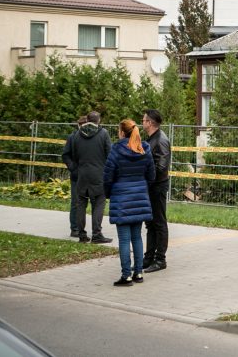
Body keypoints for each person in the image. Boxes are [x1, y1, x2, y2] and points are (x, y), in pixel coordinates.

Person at [103, 119, 155, 287]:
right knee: (137, 237)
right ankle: (138, 272)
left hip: (121, 199)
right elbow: (151, 176)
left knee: (124, 240)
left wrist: (108, 193)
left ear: (122, 132)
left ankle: (126, 276)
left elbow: (108, 177)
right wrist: (142, 187)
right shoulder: (144, 150)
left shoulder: (116, 151)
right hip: (139, 197)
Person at [68, 111, 113, 244]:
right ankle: (97, 234)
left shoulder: (77, 135)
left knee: (81, 203)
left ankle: (81, 234)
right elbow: (109, 154)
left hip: (82, 174)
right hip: (98, 175)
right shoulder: (103, 134)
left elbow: (74, 156)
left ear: (87, 119)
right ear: (98, 121)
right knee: (99, 202)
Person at [141, 109, 171, 273]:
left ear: (150, 122)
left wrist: (148, 179)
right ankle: (148, 257)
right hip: (151, 186)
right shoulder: (152, 139)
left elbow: (161, 166)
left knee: (159, 222)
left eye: (144, 120)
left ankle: (160, 259)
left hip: (157, 186)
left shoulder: (160, 140)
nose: (142, 122)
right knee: (150, 223)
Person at [61, 115, 87, 238]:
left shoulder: (92, 138)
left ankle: (86, 228)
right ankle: (74, 228)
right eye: (80, 125)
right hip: (76, 176)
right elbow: (65, 155)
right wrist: (73, 168)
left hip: (90, 175)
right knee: (76, 202)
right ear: (78, 126)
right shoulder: (72, 138)